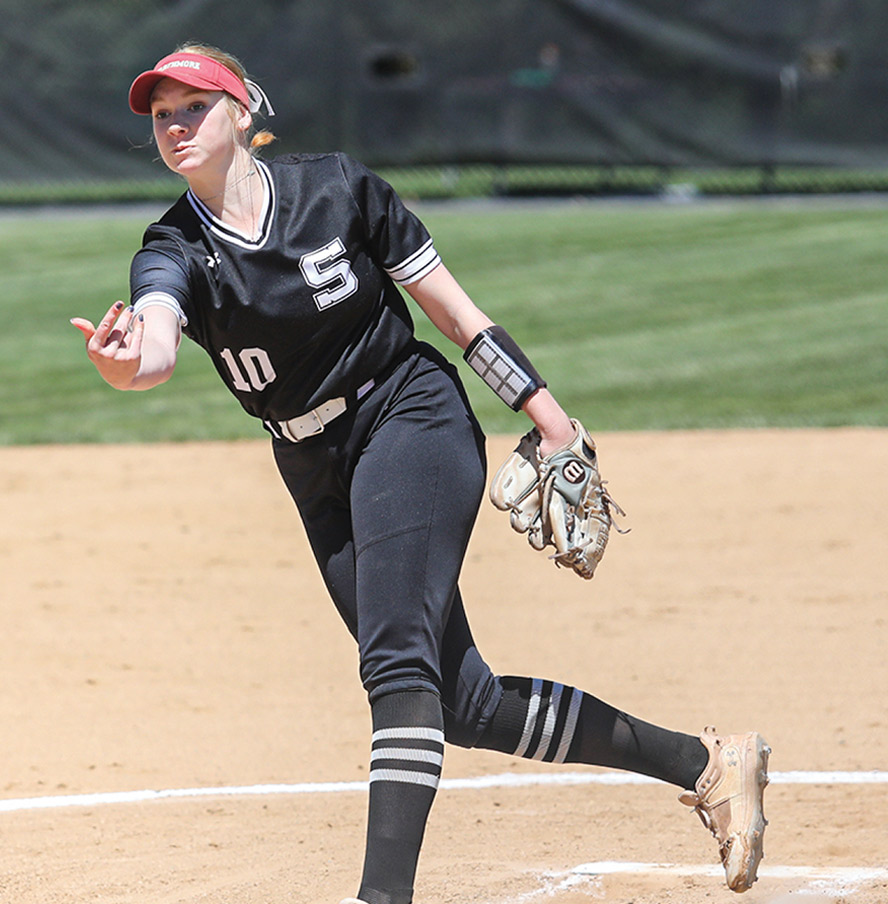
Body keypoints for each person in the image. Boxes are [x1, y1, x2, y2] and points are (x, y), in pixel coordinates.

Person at [71, 43, 771, 903]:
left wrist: (550, 421)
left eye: (194, 107)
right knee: (464, 703)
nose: (175, 125)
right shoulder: (172, 245)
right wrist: (120, 363)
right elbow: (152, 345)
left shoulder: (338, 189)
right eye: (161, 113)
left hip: (411, 415)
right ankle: (708, 766)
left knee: (396, 667)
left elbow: (454, 313)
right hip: (312, 464)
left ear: (242, 111)